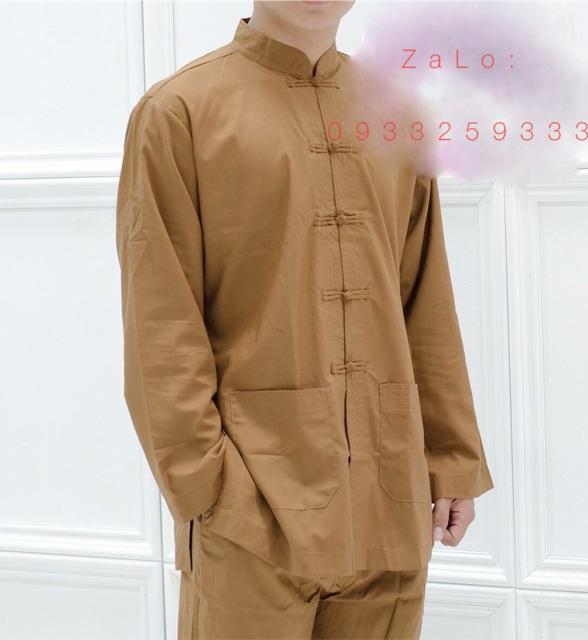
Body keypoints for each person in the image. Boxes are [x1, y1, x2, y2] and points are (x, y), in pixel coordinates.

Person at [115, 1, 494, 638]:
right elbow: (161, 323)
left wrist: (450, 457)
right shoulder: (178, 113)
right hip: (250, 511)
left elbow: (425, 296)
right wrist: (208, 490)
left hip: (390, 505)